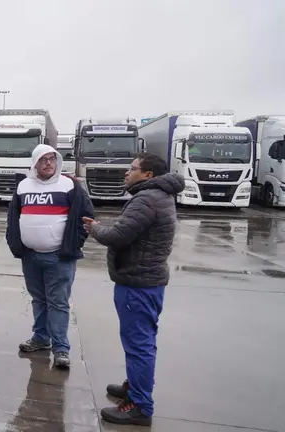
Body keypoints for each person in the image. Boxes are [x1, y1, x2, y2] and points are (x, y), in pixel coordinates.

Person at [83, 153, 185, 426]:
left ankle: (139, 405)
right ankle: (135, 388)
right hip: (147, 281)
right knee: (141, 342)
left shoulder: (147, 200)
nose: (127, 173)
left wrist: (95, 228)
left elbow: (119, 235)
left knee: (139, 346)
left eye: (133, 168)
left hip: (138, 284)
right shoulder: (159, 196)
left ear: (148, 174)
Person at [5, 143, 94, 369]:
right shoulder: (23, 186)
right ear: (35, 162)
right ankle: (40, 338)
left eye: (52, 159)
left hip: (59, 258)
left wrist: (74, 243)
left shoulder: (70, 186)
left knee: (59, 303)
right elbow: (13, 217)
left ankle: (61, 349)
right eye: (43, 159)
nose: (48, 163)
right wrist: (16, 244)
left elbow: (86, 217)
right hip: (31, 257)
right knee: (39, 300)